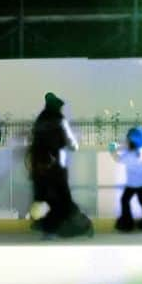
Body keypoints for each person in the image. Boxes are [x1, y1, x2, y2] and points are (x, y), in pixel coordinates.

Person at [26, 91, 92, 239]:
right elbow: (73, 144)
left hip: (40, 168)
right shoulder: (60, 120)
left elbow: (34, 145)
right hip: (57, 168)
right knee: (63, 200)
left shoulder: (39, 121)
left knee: (45, 199)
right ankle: (83, 225)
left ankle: (49, 230)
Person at [109, 126, 142, 231]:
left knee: (125, 200)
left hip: (132, 184)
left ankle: (127, 223)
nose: (126, 140)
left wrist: (112, 150)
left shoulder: (130, 155)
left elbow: (118, 159)